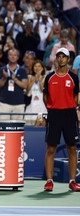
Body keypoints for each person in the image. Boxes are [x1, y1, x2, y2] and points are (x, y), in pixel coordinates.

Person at [43, 47, 80, 192]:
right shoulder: (49, 77)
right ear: (56, 59)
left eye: (63, 56)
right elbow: (46, 97)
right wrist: (52, 109)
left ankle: (72, 181)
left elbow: (76, 96)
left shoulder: (74, 78)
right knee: (51, 148)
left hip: (69, 114)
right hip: (54, 114)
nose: (61, 59)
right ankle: (49, 181)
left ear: (68, 59)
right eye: (58, 56)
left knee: (71, 148)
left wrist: (71, 107)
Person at [0, 48, 28, 120]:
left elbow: (25, 85)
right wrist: (4, 78)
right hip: (4, 104)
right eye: (10, 55)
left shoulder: (22, 70)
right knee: (3, 127)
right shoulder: (2, 69)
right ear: (7, 56)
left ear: (18, 57)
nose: (13, 57)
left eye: (15, 55)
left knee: (17, 128)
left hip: (19, 104)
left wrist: (15, 79)